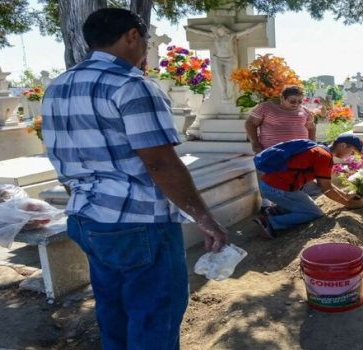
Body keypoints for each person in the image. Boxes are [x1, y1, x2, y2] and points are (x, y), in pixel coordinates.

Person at [41, 8, 228, 349]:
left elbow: (62, 152)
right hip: (140, 222)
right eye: (146, 40)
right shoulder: (131, 86)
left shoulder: (58, 87)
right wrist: (204, 217)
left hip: (87, 217)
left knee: (113, 311)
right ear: (131, 36)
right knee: (154, 315)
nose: (145, 48)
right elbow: (160, 163)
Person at [253, 134, 363, 238]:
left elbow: (325, 185)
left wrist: (346, 196)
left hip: (271, 184)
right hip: (276, 188)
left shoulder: (319, 148)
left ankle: (277, 211)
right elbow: (326, 189)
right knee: (313, 213)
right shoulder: (323, 156)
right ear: (343, 145)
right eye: (352, 152)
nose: (350, 156)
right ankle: (270, 223)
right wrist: (349, 204)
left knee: (315, 190)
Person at [187, 23, 264, 101]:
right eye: (218, 30)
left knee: (229, 78)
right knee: (220, 76)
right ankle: (223, 92)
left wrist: (257, 26)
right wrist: (190, 29)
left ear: (224, 30)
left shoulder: (231, 36)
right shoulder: (215, 37)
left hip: (230, 59)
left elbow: (246, 31)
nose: (219, 31)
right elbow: (201, 33)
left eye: (221, 30)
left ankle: (230, 93)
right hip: (218, 59)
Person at [245, 85, 316, 154]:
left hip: (300, 153)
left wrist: (312, 145)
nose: (296, 104)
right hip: (272, 154)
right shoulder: (266, 107)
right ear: (282, 98)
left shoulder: (305, 111)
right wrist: (255, 145)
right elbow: (250, 124)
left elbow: (311, 128)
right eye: (292, 101)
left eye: (300, 101)